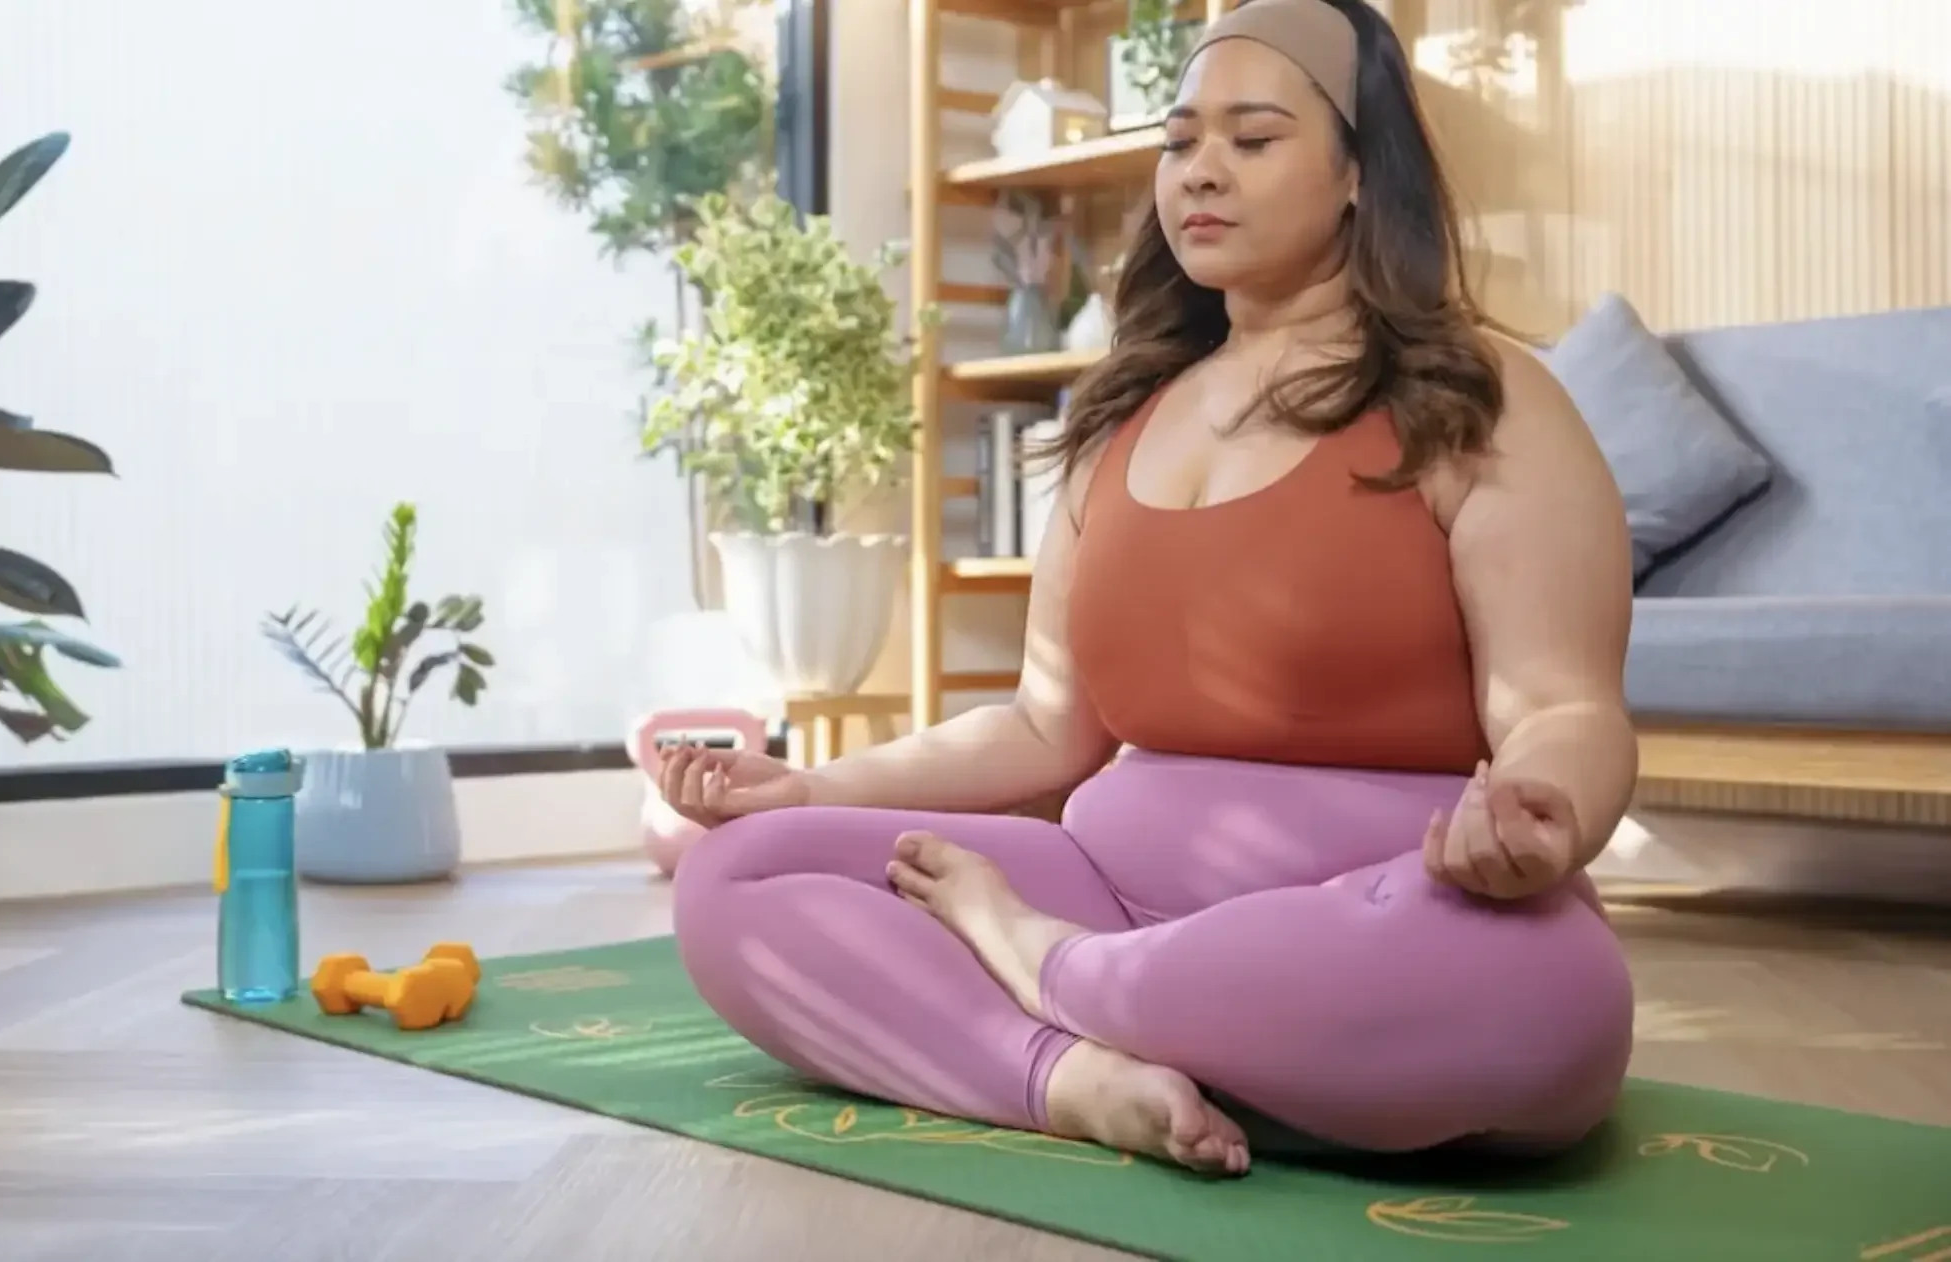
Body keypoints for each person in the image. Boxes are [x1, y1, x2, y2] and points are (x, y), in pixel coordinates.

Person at [655, 0, 1637, 1178]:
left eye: (1251, 138)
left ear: (1356, 176)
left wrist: (1540, 809)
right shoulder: (1117, 420)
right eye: (1177, 143)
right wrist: (806, 786)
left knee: (1544, 992)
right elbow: (1041, 724)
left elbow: (1564, 709)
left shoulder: (1487, 396)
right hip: (1115, 887)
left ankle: (1045, 974)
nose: (1198, 172)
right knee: (735, 877)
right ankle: (1074, 1076)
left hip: (1382, 909)